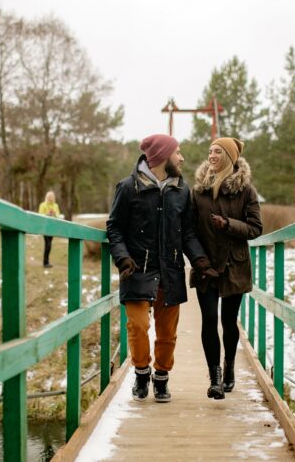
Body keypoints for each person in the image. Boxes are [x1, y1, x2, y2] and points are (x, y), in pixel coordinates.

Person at [107, 133, 218, 403]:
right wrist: (122, 258)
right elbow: (114, 227)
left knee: (167, 332)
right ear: (161, 157)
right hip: (137, 269)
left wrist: (200, 260)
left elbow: (188, 232)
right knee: (138, 326)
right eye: (177, 152)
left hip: (171, 270)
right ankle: (141, 373)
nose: (181, 158)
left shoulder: (182, 190)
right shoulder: (128, 187)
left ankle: (161, 379)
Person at [190, 137, 262, 399]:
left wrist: (228, 224)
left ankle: (229, 367)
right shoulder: (198, 191)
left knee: (229, 321)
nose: (211, 155)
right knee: (209, 319)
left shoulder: (246, 191)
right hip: (206, 265)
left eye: (217, 151)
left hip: (235, 265)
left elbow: (255, 229)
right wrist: (199, 261)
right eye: (209, 151)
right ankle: (215, 377)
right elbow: (189, 230)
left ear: (230, 157)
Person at [38, 191, 60, 268]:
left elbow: (58, 216)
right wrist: (47, 214)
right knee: (48, 245)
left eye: (52, 197)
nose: (50, 198)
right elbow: (40, 215)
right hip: (45, 227)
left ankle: (46, 261)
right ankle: (45, 262)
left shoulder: (55, 205)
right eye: (49, 197)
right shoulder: (42, 205)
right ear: (46, 197)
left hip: (52, 228)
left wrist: (54, 214)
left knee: (49, 245)